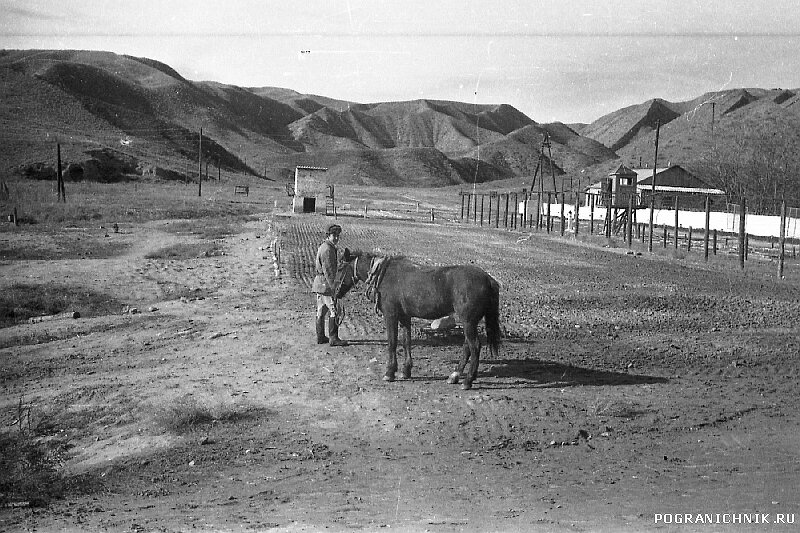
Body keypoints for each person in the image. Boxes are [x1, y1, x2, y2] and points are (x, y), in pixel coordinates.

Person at [312, 224, 348, 346]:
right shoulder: (327, 250)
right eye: (334, 235)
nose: (337, 238)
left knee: (321, 311)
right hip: (326, 286)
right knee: (335, 311)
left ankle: (320, 337)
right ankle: (333, 338)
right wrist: (335, 288)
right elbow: (329, 271)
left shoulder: (324, 247)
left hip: (319, 284)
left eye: (338, 236)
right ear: (328, 235)